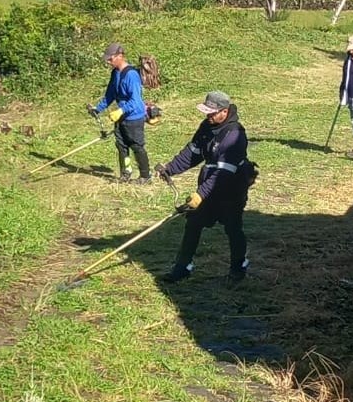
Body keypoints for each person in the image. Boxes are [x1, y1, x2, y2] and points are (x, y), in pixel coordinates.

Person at [156, 91, 256, 282]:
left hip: (231, 189)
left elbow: (223, 174)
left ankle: (238, 266)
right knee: (193, 224)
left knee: (233, 228)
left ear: (224, 111)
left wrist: (200, 194)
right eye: (206, 113)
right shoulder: (207, 126)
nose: (208, 117)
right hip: (209, 186)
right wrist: (170, 169)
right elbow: (193, 153)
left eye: (212, 113)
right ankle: (182, 267)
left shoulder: (235, 134)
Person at [91, 43, 151, 183]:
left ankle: (145, 176)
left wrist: (121, 110)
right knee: (121, 146)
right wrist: (98, 108)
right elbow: (110, 95)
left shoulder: (131, 75)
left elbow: (136, 101)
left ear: (120, 56)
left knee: (136, 146)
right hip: (121, 117)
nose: (108, 61)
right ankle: (126, 172)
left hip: (134, 117)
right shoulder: (115, 73)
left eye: (110, 59)